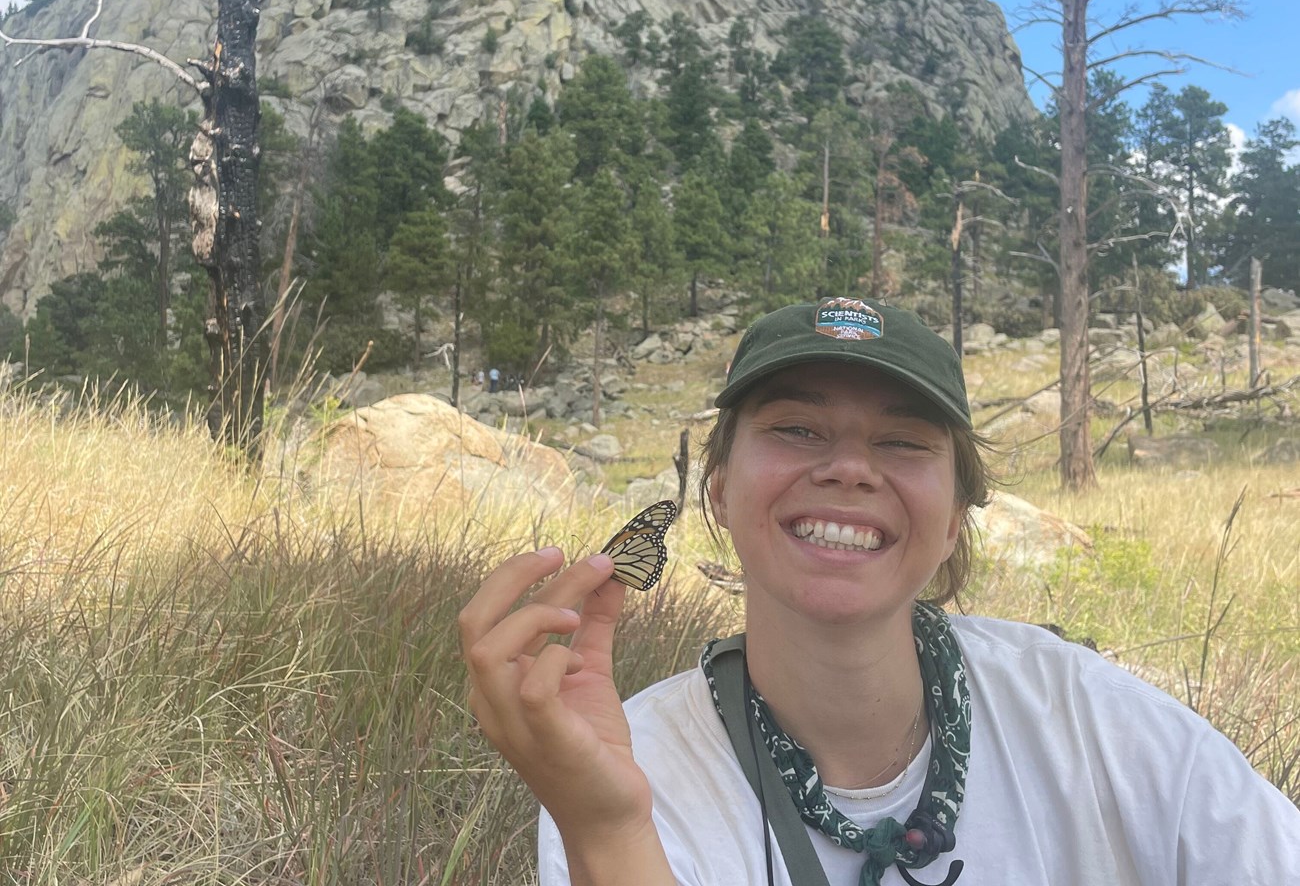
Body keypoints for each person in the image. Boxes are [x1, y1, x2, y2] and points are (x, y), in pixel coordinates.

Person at [459, 297, 1298, 885]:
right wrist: (610, 835)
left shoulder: (1088, 718)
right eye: (795, 428)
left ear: (957, 518)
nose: (850, 469)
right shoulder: (623, 766)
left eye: (902, 442)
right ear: (718, 487)